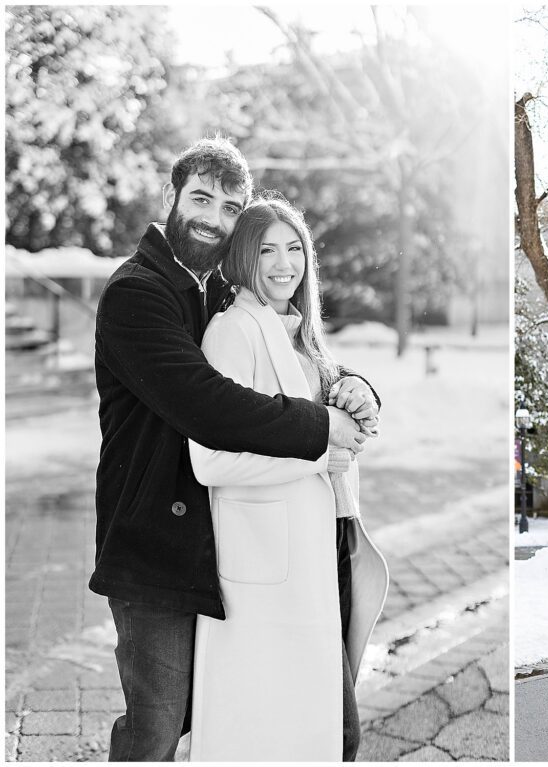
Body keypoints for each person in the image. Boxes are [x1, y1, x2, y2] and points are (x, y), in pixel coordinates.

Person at [91, 137, 380, 762]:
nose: (214, 218)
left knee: (233, 714)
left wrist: (352, 385)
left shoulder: (213, 289)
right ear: (172, 198)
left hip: (221, 540)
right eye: (201, 198)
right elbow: (205, 402)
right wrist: (320, 430)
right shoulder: (137, 293)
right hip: (155, 546)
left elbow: (289, 352)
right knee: (157, 727)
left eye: (230, 207)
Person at [186, 196, 388, 761]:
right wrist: (316, 456)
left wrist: (356, 395)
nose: (283, 263)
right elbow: (210, 461)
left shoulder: (302, 337)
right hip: (263, 573)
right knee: (267, 730)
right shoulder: (232, 332)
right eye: (267, 249)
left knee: (325, 728)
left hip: (321, 552)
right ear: (242, 261)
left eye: (294, 247)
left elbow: (334, 432)